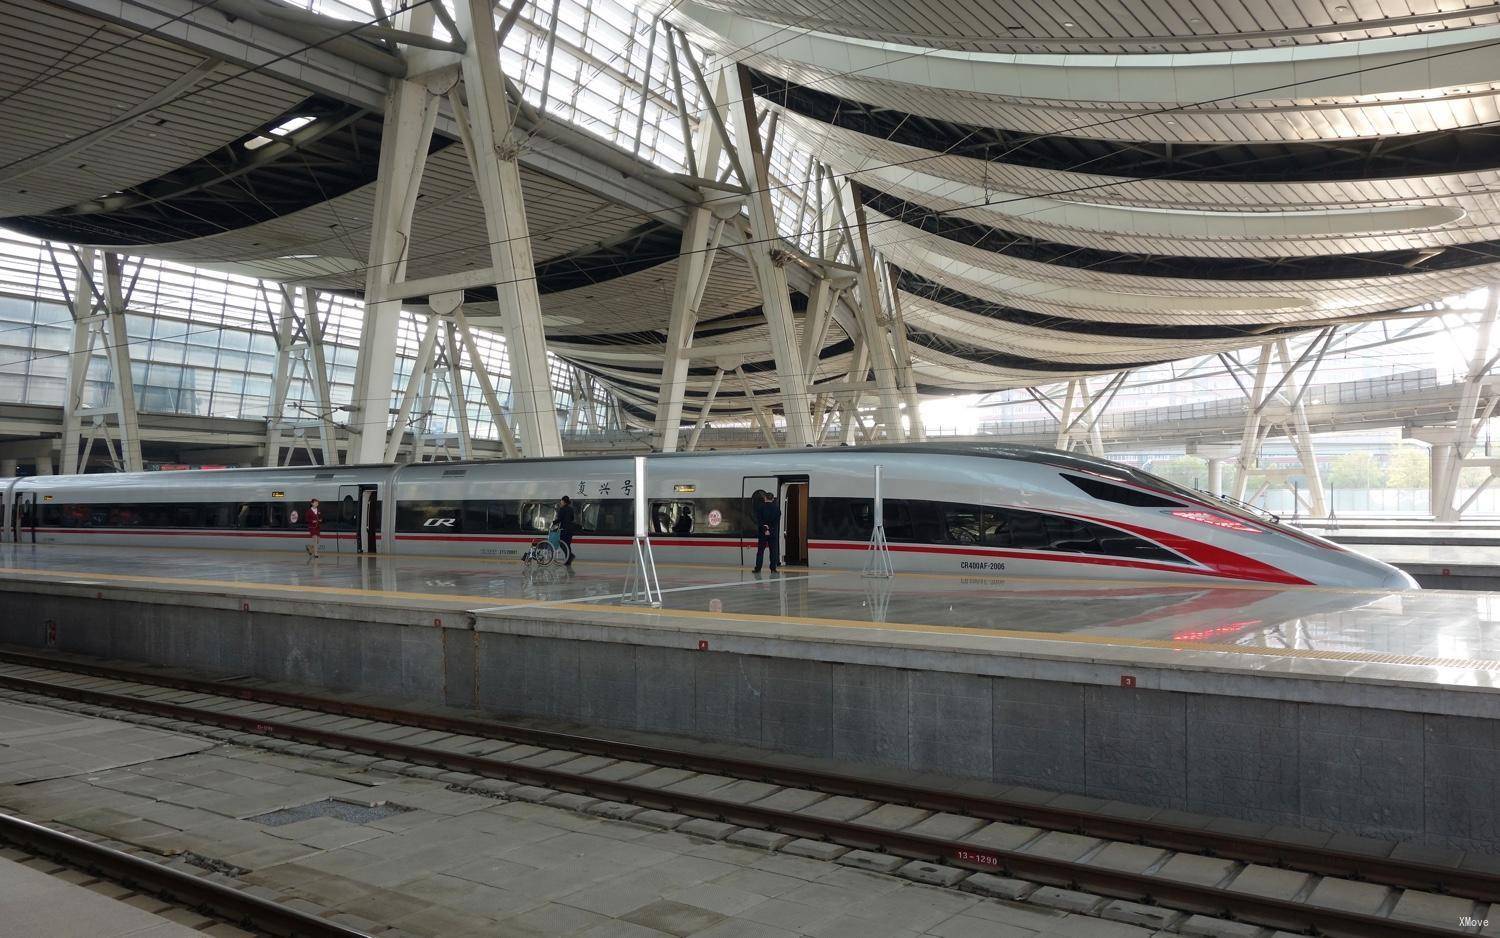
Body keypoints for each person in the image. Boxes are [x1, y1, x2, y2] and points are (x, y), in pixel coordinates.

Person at [752, 489, 780, 573]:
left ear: (765, 498)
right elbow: (776, 522)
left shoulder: (760, 508)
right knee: (773, 551)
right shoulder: (777, 509)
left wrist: (765, 529)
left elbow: (759, 520)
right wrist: (770, 529)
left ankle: (758, 568)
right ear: (773, 499)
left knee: (760, 551)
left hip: (762, 533)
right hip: (773, 533)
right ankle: (773, 568)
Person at [555, 495, 576, 566]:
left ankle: (569, 556)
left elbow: (559, 519)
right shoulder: (571, 509)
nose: (560, 502)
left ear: (564, 501)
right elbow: (572, 518)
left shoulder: (562, 509)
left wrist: (553, 522)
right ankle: (568, 560)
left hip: (564, 529)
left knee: (562, 543)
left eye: (561, 501)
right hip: (571, 530)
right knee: (567, 544)